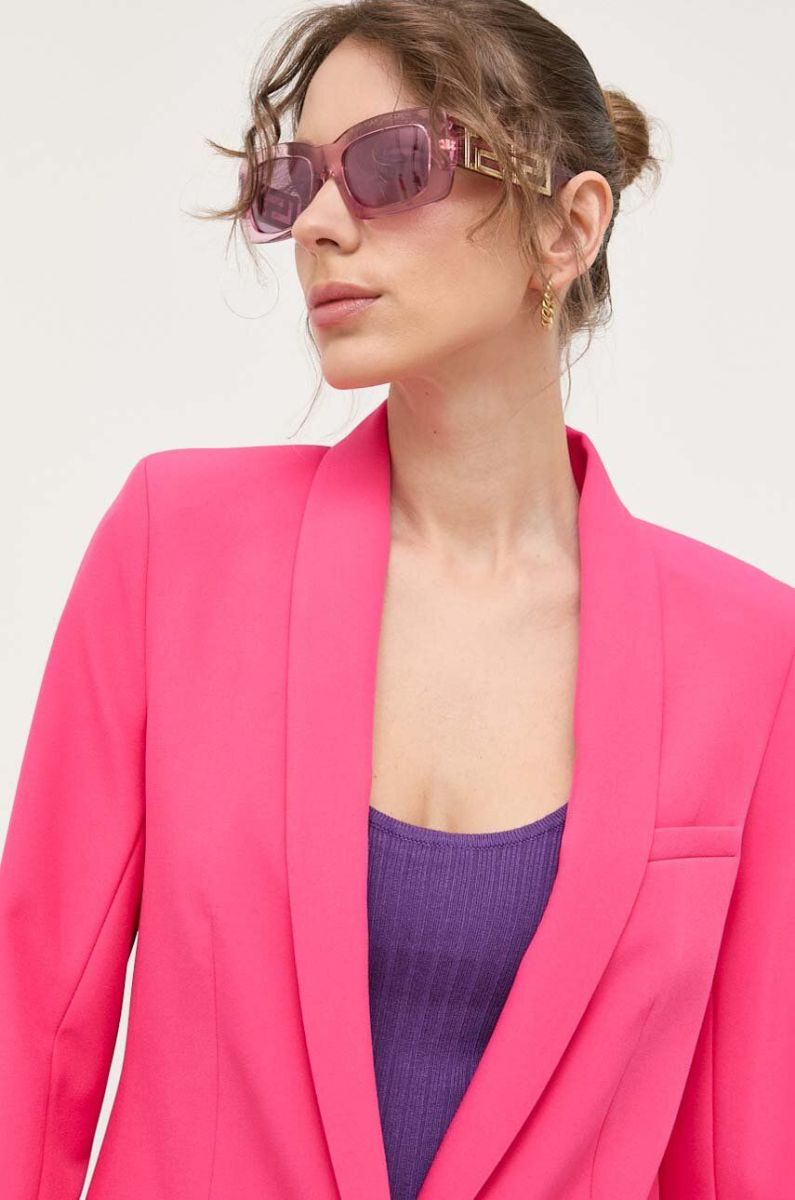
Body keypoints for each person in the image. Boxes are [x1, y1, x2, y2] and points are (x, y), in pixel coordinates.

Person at [1, 2, 793, 1198]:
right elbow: (32, 1031)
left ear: (568, 226)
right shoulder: (175, 553)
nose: (320, 225)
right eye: (296, 183)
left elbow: (743, 1150)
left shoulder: (752, 658)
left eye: (388, 164)